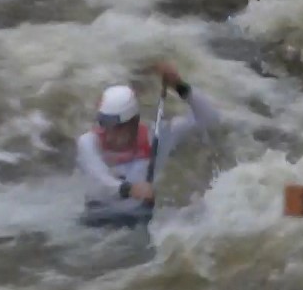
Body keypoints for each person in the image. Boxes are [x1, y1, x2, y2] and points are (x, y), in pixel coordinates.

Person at [75, 61, 222, 228]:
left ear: (133, 122)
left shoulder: (156, 137)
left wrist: (180, 87)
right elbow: (100, 183)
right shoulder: (88, 142)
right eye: (104, 124)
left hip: (139, 221)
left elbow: (209, 120)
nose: (108, 134)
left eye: (116, 127)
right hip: (96, 221)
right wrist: (131, 189)